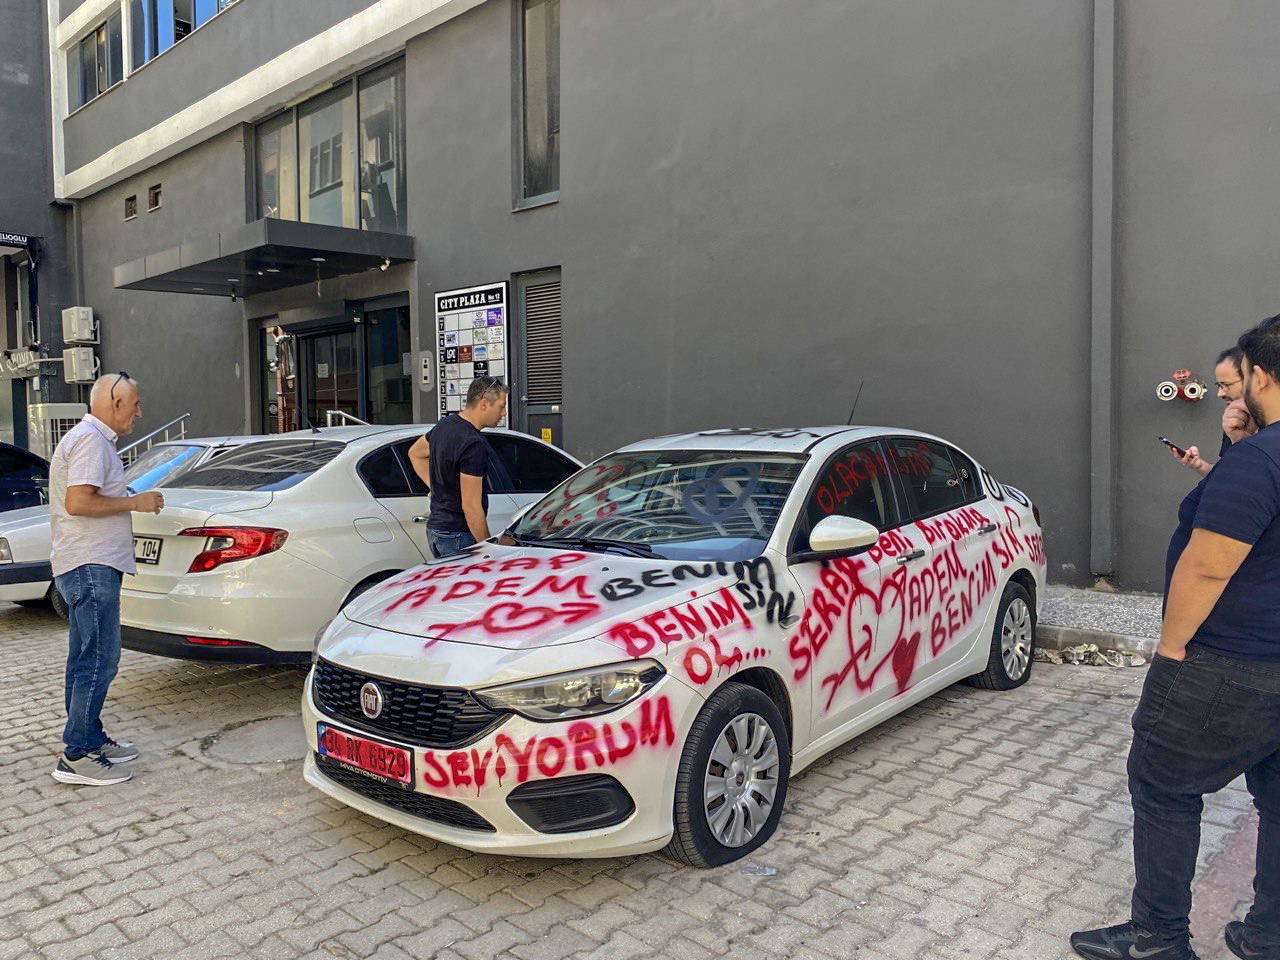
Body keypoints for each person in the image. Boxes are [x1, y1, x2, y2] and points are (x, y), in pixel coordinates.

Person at [1071, 315, 1280, 960]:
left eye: (1236, 379)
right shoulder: (1252, 457)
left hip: (1229, 663)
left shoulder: (1259, 461)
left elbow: (1208, 565)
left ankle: (1158, 939)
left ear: (1260, 375)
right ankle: (1269, 934)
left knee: (1162, 785)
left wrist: (1169, 649)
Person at [49, 373, 164, 787]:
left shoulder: (90, 439)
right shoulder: (91, 441)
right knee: (100, 659)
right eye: (135, 403)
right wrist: (135, 502)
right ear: (115, 404)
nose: (139, 411)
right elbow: (78, 501)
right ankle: (77, 754)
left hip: (84, 564)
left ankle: (90, 737)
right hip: (90, 565)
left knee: (85, 659)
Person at [407, 376, 508, 558]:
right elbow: (471, 508)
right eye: (501, 406)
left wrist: (436, 487)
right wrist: (489, 550)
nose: (504, 413)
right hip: (458, 534)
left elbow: (415, 453)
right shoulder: (473, 444)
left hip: (436, 531)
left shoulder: (444, 426)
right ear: (484, 403)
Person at [1173, 347, 1256, 476]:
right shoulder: (1235, 421)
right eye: (1219, 386)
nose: (1220, 393)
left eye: (1226, 385)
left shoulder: (1273, 427)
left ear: (1258, 380)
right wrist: (1199, 465)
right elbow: (1228, 474)